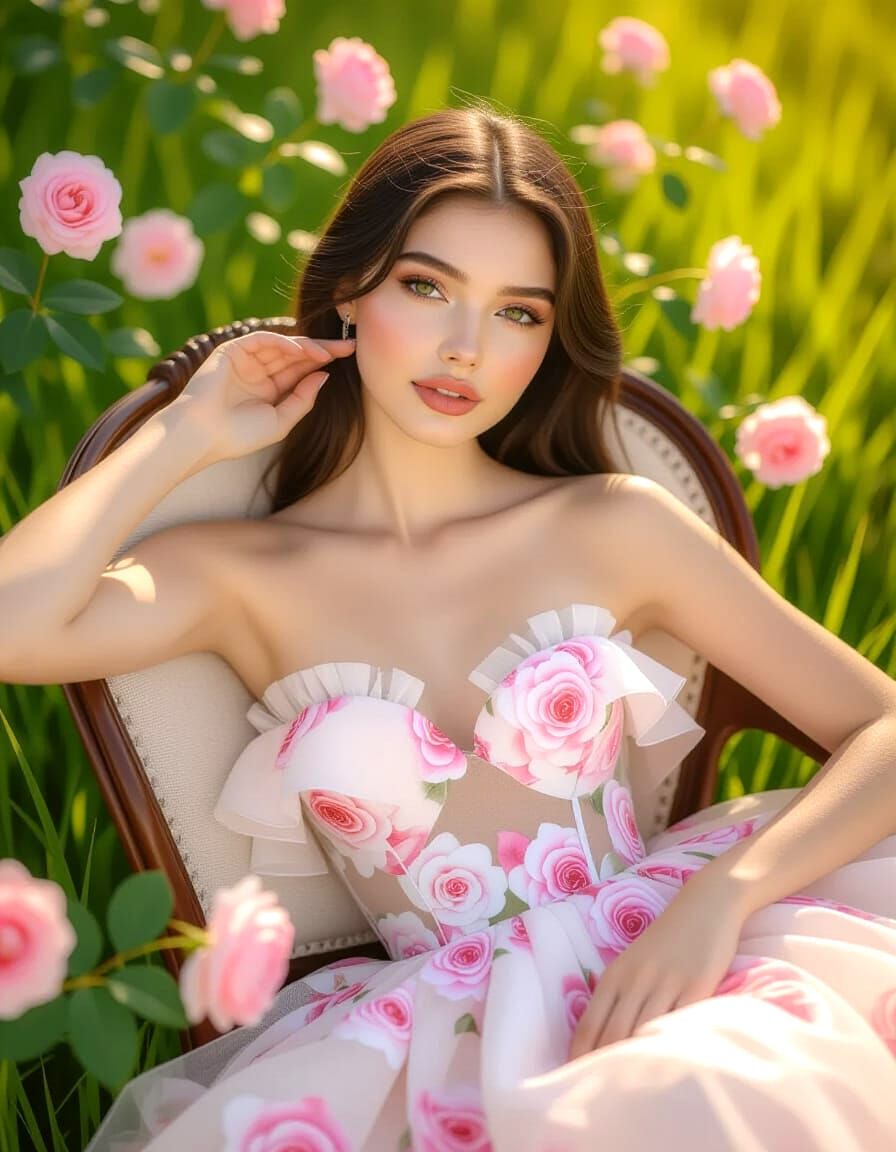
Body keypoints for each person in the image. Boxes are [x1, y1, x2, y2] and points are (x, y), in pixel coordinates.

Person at [2, 104, 896, 1151]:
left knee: (711, 1093)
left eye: (516, 312)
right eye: (425, 288)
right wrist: (181, 436)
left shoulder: (610, 524)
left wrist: (719, 899)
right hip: (438, 1035)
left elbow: (880, 727)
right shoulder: (246, 577)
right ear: (351, 289)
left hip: (673, 961)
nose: (464, 347)